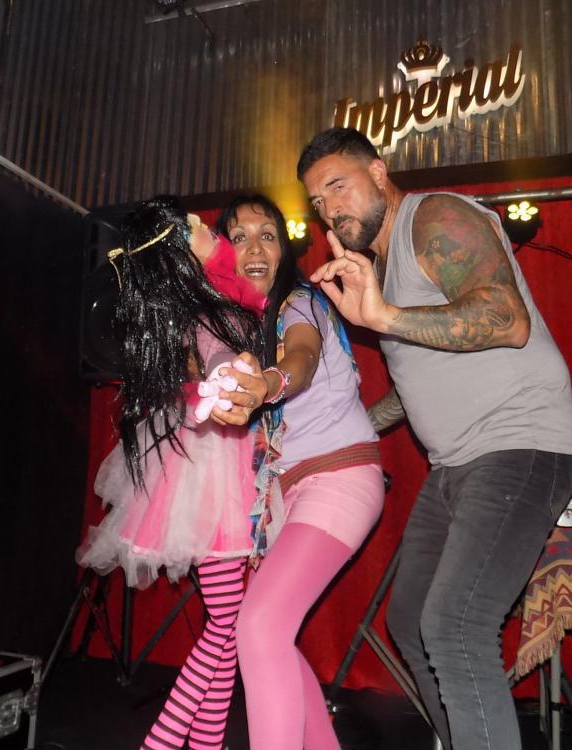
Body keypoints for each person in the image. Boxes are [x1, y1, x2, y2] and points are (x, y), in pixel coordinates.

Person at [301, 128, 572, 750]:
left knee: (456, 624)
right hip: (455, 464)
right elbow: (418, 384)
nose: (329, 210)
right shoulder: (381, 272)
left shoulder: (434, 217)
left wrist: (383, 317)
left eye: (338, 187)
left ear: (379, 172)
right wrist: (345, 432)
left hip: (520, 442)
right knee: (410, 619)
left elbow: (506, 320)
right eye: (318, 202)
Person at [75, 196, 265, 750]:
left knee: (224, 624)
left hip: (206, 458)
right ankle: (158, 744)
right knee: (225, 624)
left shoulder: (209, 301)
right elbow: (216, 352)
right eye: (196, 227)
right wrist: (226, 373)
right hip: (214, 465)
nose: (209, 226)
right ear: (183, 252)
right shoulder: (215, 307)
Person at [213, 194, 385, 750]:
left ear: (284, 249)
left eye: (267, 234)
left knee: (259, 627)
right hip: (294, 491)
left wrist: (269, 383)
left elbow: (302, 359)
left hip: (338, 477)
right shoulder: (243, 328)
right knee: (270, 639)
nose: (254, 248)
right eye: (239, 237)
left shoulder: (300, 302)